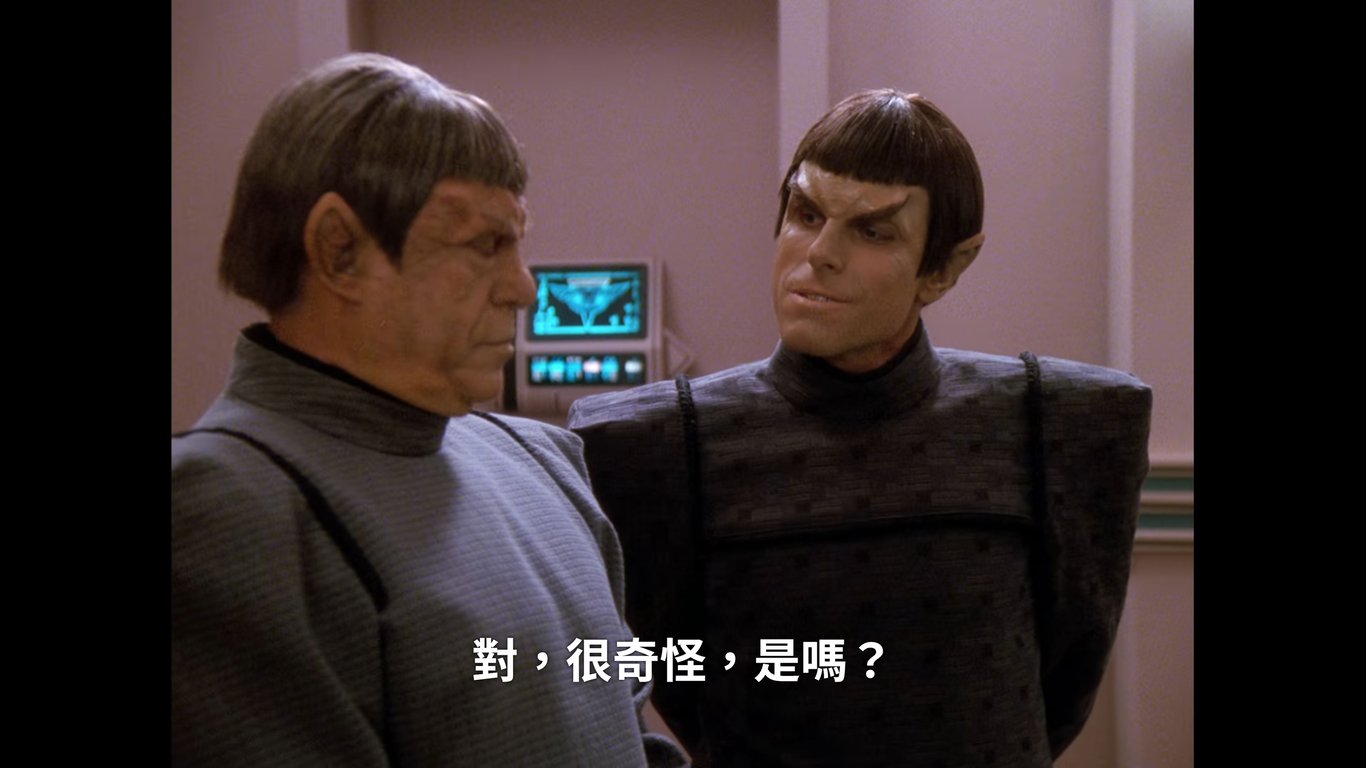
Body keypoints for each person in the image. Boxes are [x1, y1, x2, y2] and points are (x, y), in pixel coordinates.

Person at [568, 90, 1151, 766]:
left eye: (873, 231)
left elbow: (1064, 678)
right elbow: (682, 682)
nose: (819, 253)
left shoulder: (1058, 420)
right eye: (806, 214)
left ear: (944, 268)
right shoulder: (653, 441)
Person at [171, 53, 685, 767]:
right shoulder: (222, 507)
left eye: (517, 241)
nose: (524, 289)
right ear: (339, 250)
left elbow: (626, 732)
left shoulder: (544, 459)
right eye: (485, 244)